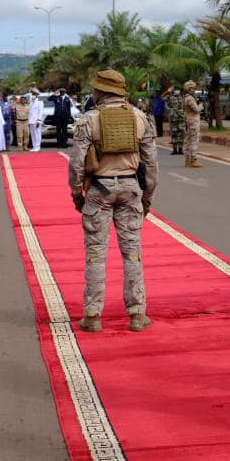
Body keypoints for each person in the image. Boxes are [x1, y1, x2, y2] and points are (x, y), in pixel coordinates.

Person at [68, 70, 157, 333]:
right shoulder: (140, 118)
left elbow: (76, 165)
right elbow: (151, 165)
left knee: (96, 254)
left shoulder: (88, 120)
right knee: (132, 253)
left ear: (100, 92)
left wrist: (76, 195)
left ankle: (93, 315)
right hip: (131, 190)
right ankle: (137, 314)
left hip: (99, 190)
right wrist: (148, 198)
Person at [182, 81, 203, 169]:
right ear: (189, 89)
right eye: (193, 88)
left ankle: (188, 160)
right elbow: (196, 109)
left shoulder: (186, 98)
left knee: (189, 140)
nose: (194, 90)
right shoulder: (190, 98)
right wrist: (201, 106)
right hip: (193, 121)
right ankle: (193, 160)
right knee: (193, 140)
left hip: (189, 120)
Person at [166, 86, 184, 155]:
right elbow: (161, 97)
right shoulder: (170, 97)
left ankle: (180, 149)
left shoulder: (183, 96)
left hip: (181, 117)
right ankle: (174, 149)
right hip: (173, 117)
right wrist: (168, 91)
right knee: (173, 133)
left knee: (181, 133)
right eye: (175, 90)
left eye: (178, 90)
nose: (177, 91)